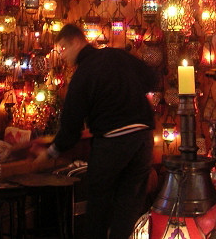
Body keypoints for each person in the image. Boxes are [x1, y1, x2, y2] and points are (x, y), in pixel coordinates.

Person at [41, 23, 158, 239]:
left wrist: (52, 151)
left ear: (77, 41)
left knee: (98, 206)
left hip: (113, 142)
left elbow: (71, 125)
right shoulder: (118, 56)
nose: (63, 55)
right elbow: (151, 79)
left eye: (64, 48)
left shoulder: (83, 74)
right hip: (142, 139)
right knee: (128, 206)